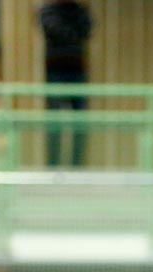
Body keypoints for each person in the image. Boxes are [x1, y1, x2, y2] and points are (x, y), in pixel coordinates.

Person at [39, 0, 93, 167]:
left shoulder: (81, 10)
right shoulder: (47, 10)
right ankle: (53, 168)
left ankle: (77, 168)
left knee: (80, 123)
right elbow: (59, 32)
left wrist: (72, 31)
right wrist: (73, 32)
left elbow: (87, 30)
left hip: (78, 71)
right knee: (54, 123)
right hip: (55, 72)